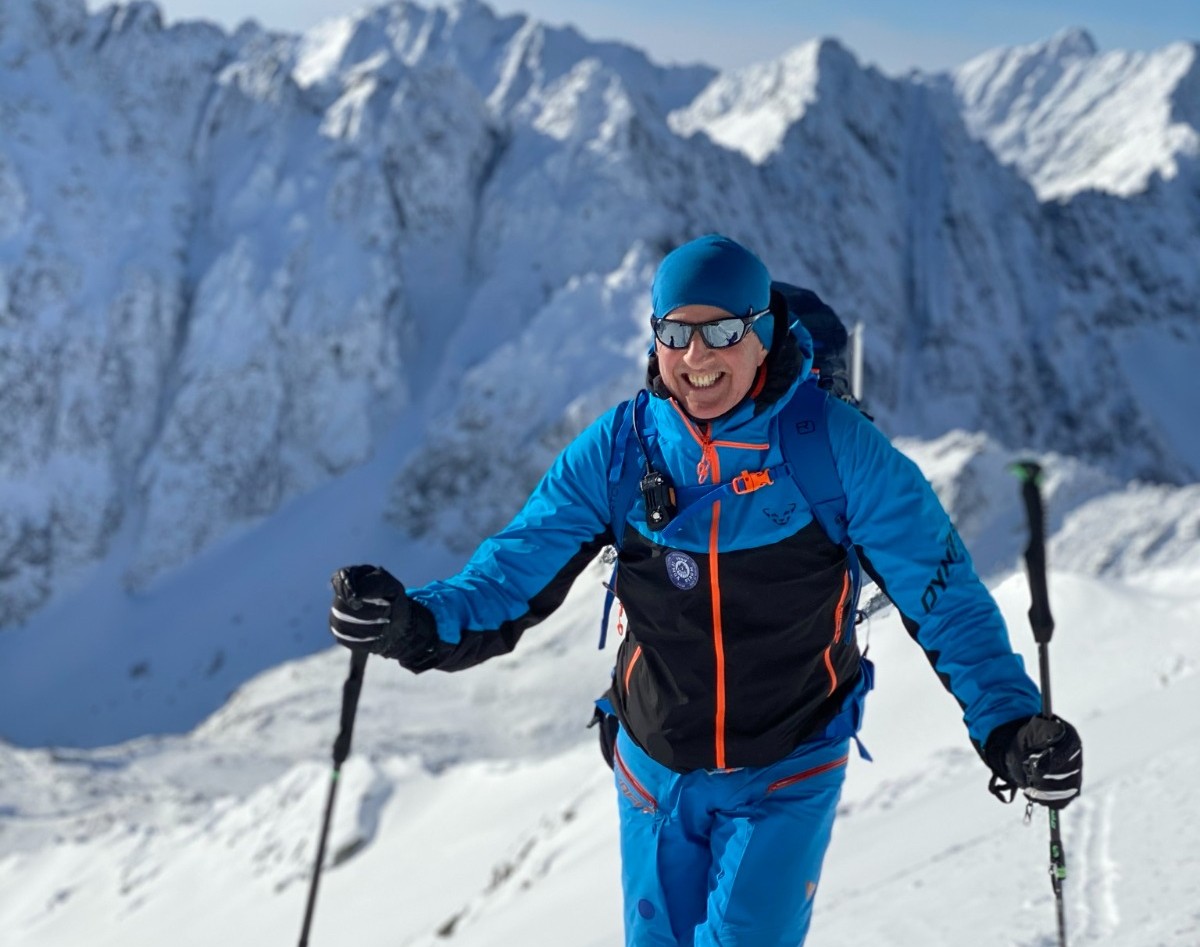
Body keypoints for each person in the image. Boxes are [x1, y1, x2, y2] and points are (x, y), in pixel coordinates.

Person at [328, 234, 1083, 946]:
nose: (698, 356)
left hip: (787, 767)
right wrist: (407, 619)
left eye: (723, 332)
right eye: (677, 332)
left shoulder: (836, 450)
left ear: (764, 333)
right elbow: (509, 576)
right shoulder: (621, 450)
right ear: (653, 337)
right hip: (653, 771)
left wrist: (1011, 728)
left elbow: (943, 595)